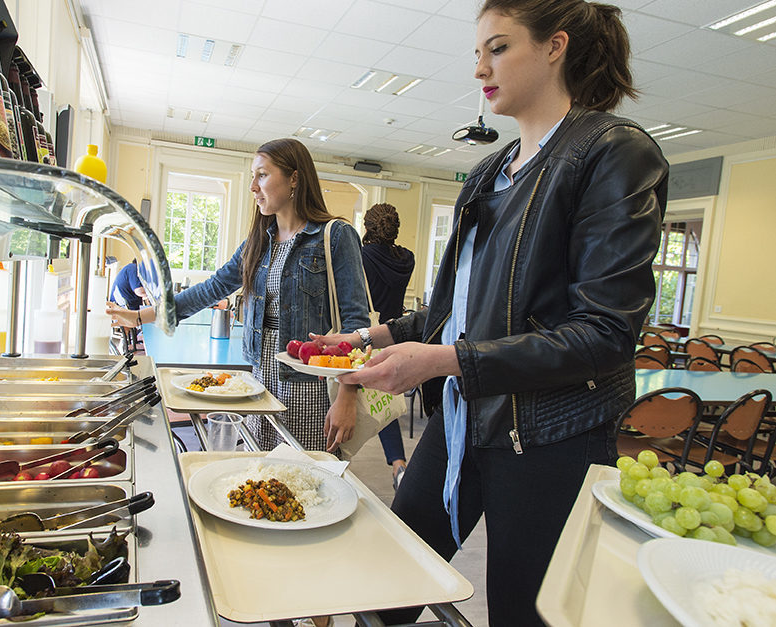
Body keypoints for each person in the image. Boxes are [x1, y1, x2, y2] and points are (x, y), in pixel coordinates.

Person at [316, 1, 668, 624]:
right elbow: (453, 309)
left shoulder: (612, 152)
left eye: (498, 48)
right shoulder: (487, 173)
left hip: (549, 437)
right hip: (464, 419)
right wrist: (369, 335)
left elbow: (607, 334)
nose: (480, 66)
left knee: (521, 611)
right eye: (478, 52)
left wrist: (446, 361)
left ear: (555, 46)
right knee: (386, 585)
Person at [107, 137, 370, 453]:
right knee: (261, 474)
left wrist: (347, 394)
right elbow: (212, 288)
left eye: (262, 175)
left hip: (309, 387)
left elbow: (356, 323)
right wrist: (140, 316)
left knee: (304, 476)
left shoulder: (335, 236)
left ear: (295, 178)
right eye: (252, 177)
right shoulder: (257, 243)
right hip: (259, 379)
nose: (253, 187)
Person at [360, 203, 415, 489]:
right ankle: (399, 464)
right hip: (396, 336)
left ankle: (331, 458)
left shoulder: (363, 256)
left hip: (366, 337)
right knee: (385, 404)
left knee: (342, 398)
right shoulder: (408, 259)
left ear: (368, 227)